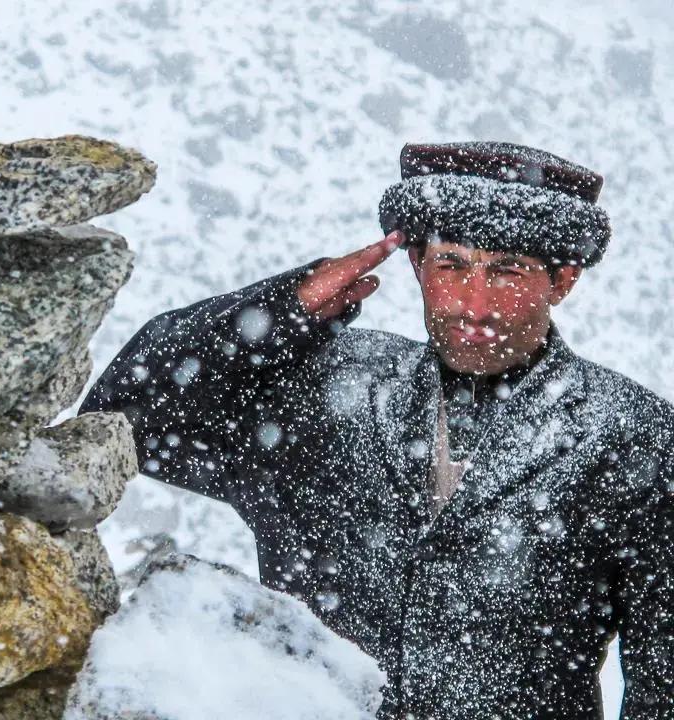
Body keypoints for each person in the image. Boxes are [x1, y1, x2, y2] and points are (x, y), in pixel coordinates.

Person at [79, 142, 674, 719]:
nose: (473, 303)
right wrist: (284, 312)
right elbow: (124, 421)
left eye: (507, 271)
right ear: (416, 264)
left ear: (563, 280)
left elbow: (662, 682)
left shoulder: (637, 437)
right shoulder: (326, 385)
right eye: (452, 265)